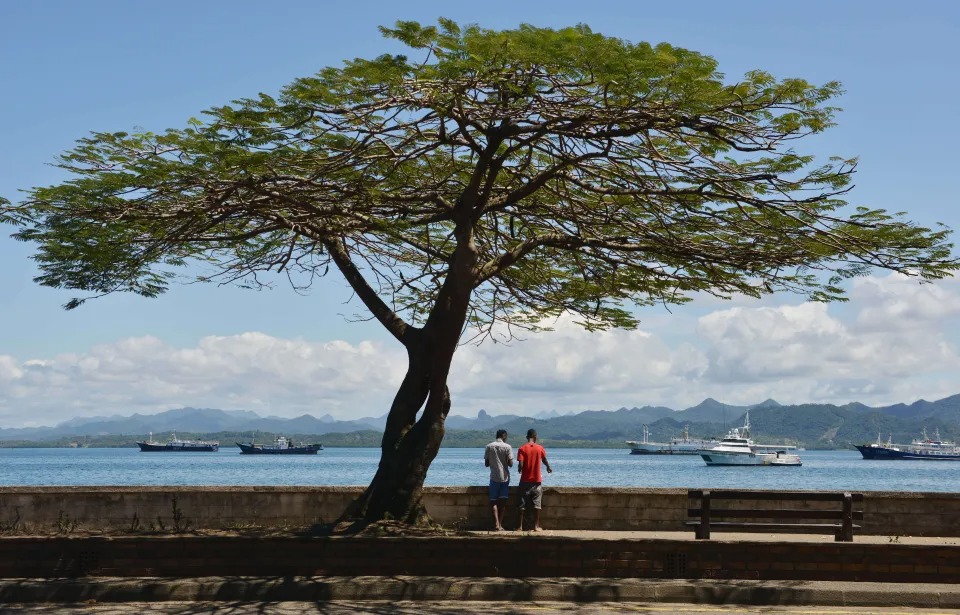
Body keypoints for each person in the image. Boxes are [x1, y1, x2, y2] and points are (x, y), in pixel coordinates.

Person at [516, 428, 552, 531]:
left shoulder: (522, 448)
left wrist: (520, 469)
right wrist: (548, 467)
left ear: (527, 437)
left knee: (522, 504)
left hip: (524, 481)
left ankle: (520, 526)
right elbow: (544, 460)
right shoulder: (540, 448)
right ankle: (536, 526)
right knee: (537, 504)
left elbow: (521, 464)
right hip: (536, 482)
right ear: (535, 438)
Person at [483, 429, 514, 531]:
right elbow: (511, 464)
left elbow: (486, 464)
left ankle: (496, 523)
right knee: (503, 502)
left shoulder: (489, 446)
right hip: (505, 478)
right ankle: (500, 524)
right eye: (506, 436)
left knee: (494, 502)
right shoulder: (508, 447)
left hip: (494, 478)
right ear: (504, 435)